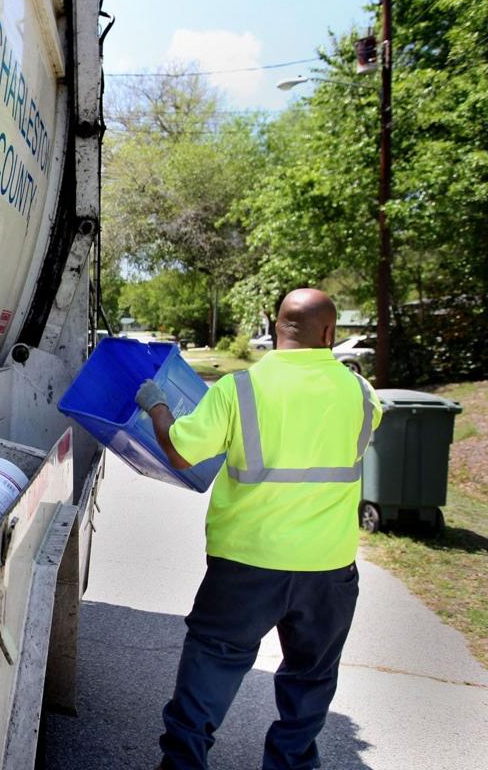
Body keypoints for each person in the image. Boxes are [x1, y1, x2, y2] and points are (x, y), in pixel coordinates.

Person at [135, 289, 382, 770]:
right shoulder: (361, 394)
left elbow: (182, 450)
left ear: (277, 329)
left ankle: (183, 764)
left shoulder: (240, 389)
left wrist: (157, 406)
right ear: (329, 334)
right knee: (309, 679)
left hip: (246, 565)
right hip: (328, 569)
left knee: (210, 667)